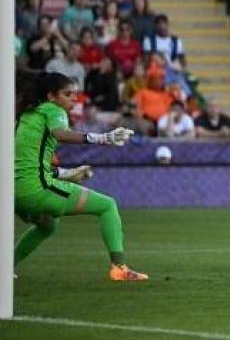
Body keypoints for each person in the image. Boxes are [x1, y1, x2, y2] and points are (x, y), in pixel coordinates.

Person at [14, 72, 147, 281]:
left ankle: (6, 266)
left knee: (47, 225)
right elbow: (61, 134)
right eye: (68, 94)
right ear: (51, 96)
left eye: (75, 94)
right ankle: (119, 268)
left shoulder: (27, 116)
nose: (74, 99)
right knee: (107, 205)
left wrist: (65, 174)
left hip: (14, 196)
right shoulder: (53, 110)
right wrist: (103, 137)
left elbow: (25, 164)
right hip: (37, 191)